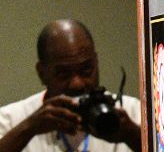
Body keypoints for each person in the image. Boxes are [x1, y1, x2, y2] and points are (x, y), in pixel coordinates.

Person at [0, 20, 141, 152]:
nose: (77, 84)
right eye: (63, 74)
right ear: (41, 73)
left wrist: (132, 135)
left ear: (96, 63)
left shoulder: (133, 111)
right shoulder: (10, 120)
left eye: (86, 70)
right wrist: (29, 129)